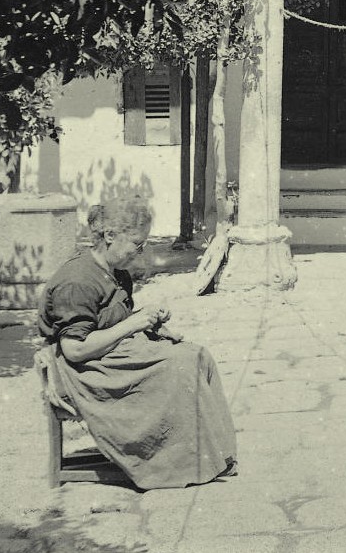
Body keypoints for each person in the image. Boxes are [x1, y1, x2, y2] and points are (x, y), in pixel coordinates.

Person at [36, 198, 237, 490]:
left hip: (107, 357)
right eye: (136, 245)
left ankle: (212, 455)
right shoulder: (77, 281)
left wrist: (151, 321)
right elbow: (75, 349)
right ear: (109, 236)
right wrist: (134, 324)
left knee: (196, 356)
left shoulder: (117, 275)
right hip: (84, 371)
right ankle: (173, 462)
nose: (140, 253)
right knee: (178, 368)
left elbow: (116, 321)